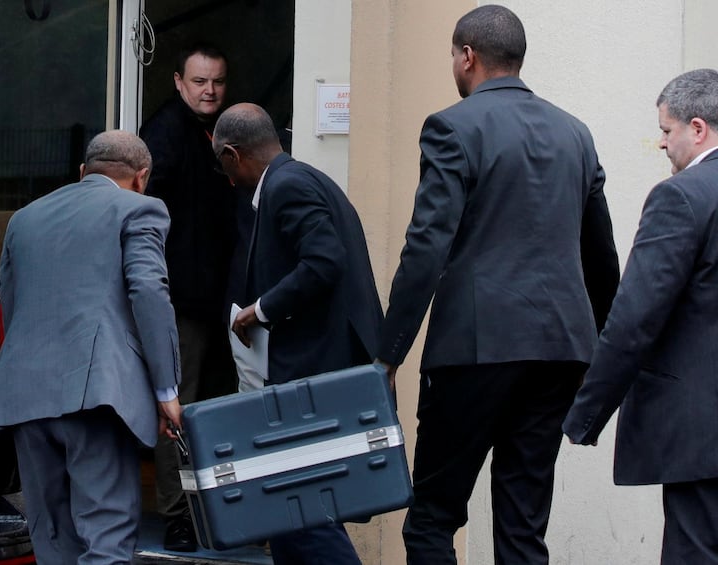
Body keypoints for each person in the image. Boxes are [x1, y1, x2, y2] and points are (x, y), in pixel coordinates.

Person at [374, 5, 620, 564]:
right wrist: (608, 346)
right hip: (560, 351)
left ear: (468, 56)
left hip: (474, 349)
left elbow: (425, 247)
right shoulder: (575, 132)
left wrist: (388, 356)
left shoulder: (451, 127)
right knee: (522, 523)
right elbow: (600, 252)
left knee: (433, 518)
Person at [0, 130, 182, 564]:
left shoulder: (24, 218)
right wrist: (166, 390)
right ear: (142, 176)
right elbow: (148, 293)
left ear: (82, 172)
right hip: (96, 396)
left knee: (52, 539)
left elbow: (11, 303)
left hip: (23, 393)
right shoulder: (141, 208)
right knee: (107, 537)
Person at [214, 102, 383, 565]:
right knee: (293, 508)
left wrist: (259, 311)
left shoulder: (286, 186)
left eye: (225, 168)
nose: (230, 182)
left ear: (233, 155)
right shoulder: (307, 178)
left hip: (316, 368)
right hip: (329, 362)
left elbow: (325, 262)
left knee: (299, 508)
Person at [563, 68, 718, 565]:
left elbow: (634, 318)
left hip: (701, 433)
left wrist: (586, 415)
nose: (661, 143)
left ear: (697, 129)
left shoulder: (682, 197)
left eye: (666, 130)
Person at [139, 41, 238, 551]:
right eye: (200, 81)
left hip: (216, 301)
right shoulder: (166, 134)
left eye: (217, 81)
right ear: (179, 82)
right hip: (181, 302)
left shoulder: (215, 133)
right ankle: (178, 515)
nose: (209, 90)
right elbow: (147, 219)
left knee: (211, 406)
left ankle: (211, 508)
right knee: (177, 409)